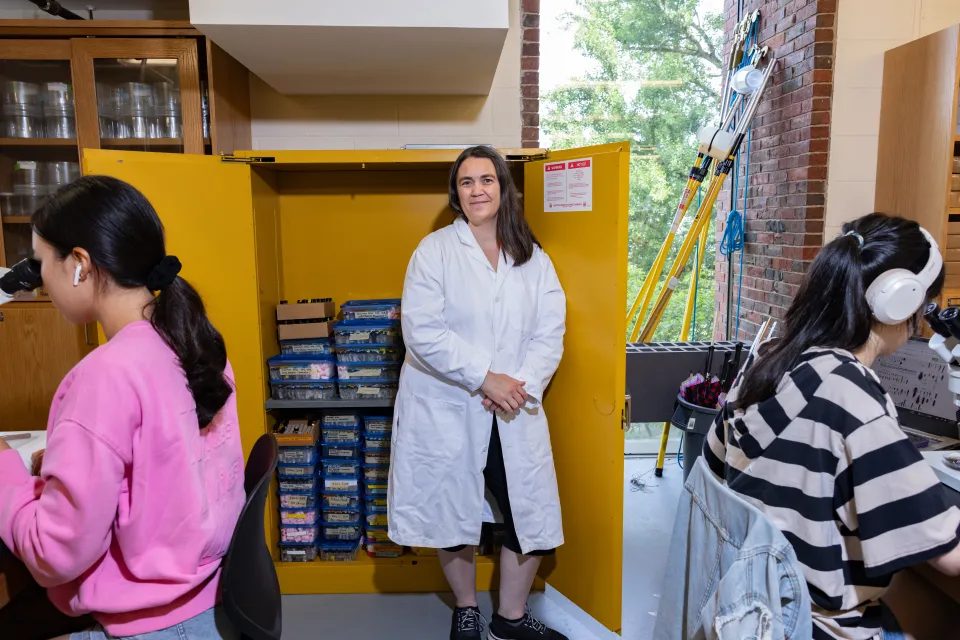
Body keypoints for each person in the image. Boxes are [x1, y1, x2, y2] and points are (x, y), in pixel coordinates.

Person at [0, 176, 245, 640]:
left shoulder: (106, 374)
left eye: (41, 262)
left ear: (79, 265)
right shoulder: (196, 343)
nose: (40, 279)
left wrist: (7, 479)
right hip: (209, 603)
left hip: (150, 625)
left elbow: (55, 554)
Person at [704, 213, 960, 640]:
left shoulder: (768, 361)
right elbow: (951, 556)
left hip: (753, 610)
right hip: (815, 626)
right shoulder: (849, 392)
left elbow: (714, 466)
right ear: (901, 301)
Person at [387, 146, 567, 640]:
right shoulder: (435, 252)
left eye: (487, 179)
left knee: (525, 514)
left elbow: (550, 333)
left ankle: (510, 616)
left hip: (513, 410)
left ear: (504, 189)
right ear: (456, 195)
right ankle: (466, 608)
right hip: (450, 406)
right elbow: (422, 331)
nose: (478, 190)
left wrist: (516, 387)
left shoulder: (533, 258)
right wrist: (486, 378)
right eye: (467, 182)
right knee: (453, 513)